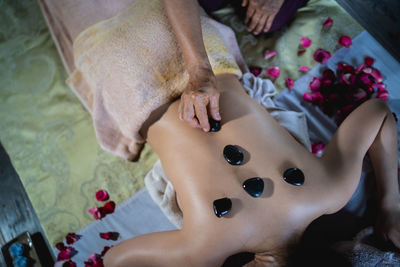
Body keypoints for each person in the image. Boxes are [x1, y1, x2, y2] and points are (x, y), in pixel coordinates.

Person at [99, 1, 400, 266]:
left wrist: (389, 205)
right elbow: (114, 259)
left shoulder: (329, 191)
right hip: (126, 70)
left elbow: (378, 113)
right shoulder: (202, 251)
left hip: (193, 49)